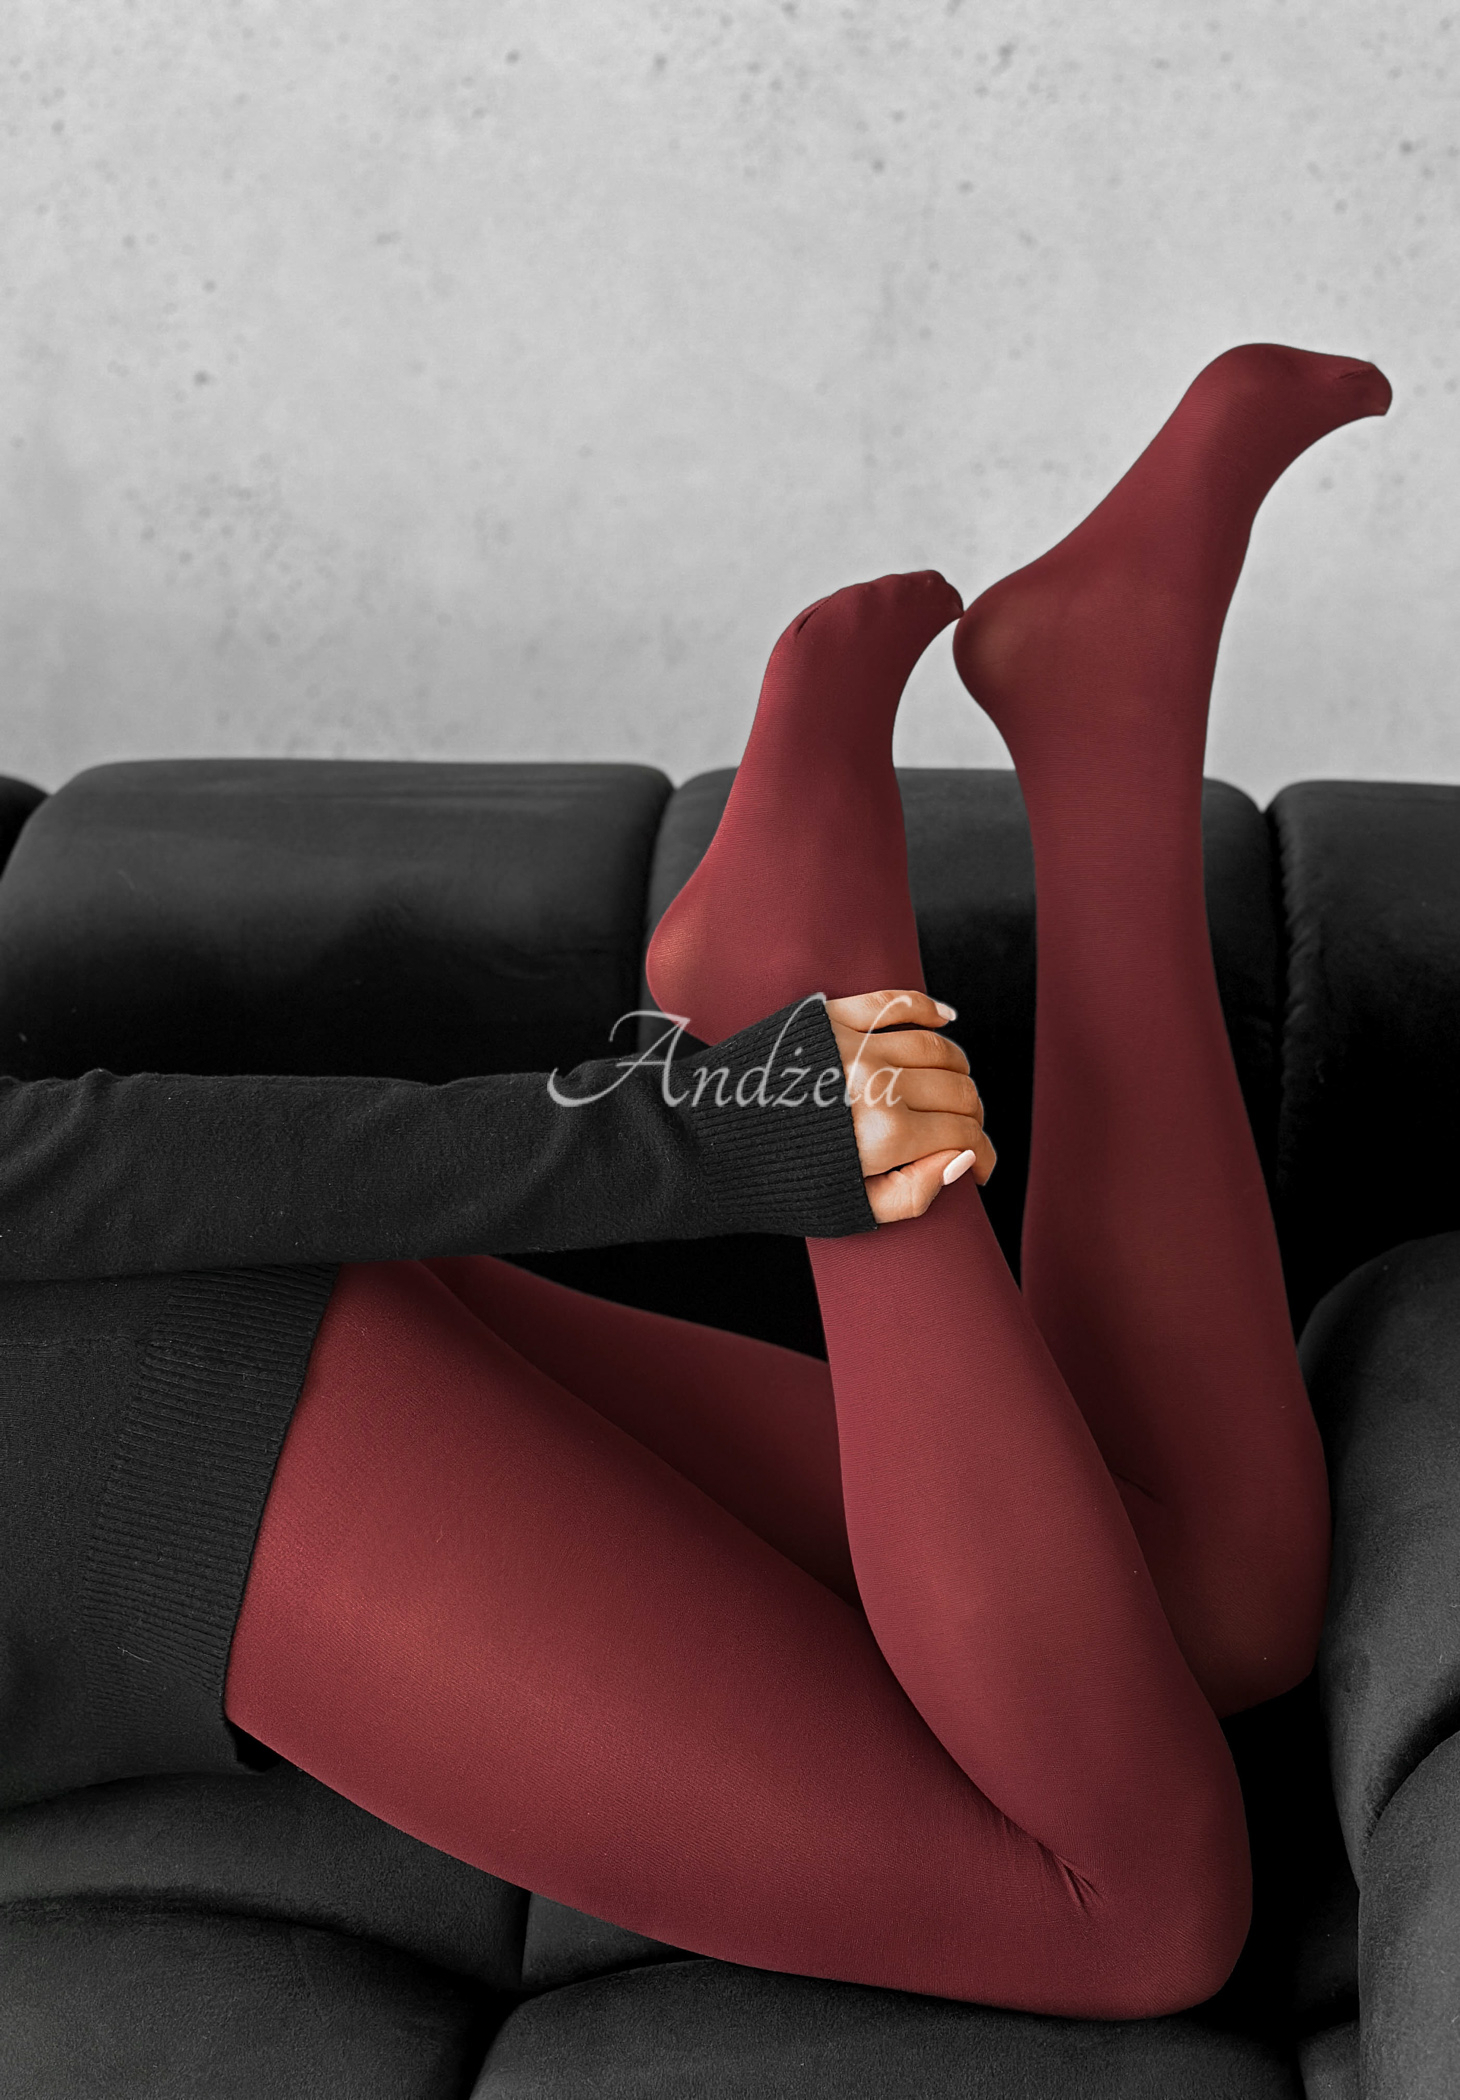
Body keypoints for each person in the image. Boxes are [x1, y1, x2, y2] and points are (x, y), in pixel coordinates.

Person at [5, 343, 1389, 2021]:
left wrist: (728, 1126)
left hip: (109, 1449)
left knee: (1132, 1913)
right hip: (147, 1360)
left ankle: (811, 996)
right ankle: (1108, 726)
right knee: (1225, 1597)